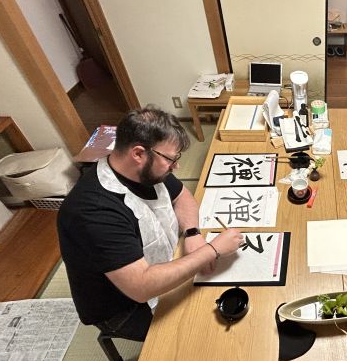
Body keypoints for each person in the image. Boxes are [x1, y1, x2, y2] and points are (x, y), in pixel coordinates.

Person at [57, 106, 243, 341]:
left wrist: (193, 234)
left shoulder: (142, 170)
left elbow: (182, 196)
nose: (176, 167)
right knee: (208, 332)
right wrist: (212, 249)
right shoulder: (92, 212)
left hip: (160, 263)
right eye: (171, 159)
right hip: (124, 306)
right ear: (138, 153)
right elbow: (141, 287)